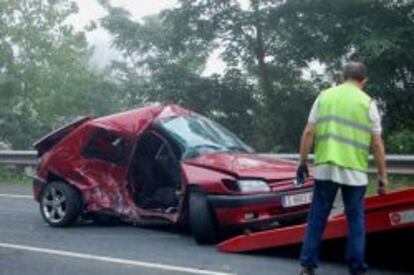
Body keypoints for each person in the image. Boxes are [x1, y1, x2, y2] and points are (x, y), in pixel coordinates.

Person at [297, 62, 388, 275]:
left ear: (342, 76)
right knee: (356, 221)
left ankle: (307, 264)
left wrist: (302, 161)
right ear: (364, 81)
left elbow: (309, 132)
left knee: (317, 217)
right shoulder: (368, 103)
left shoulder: (324, 97)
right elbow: (377, 144)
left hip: (326, 168)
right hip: (355, 172)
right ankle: (356, 268)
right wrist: (383, 177)